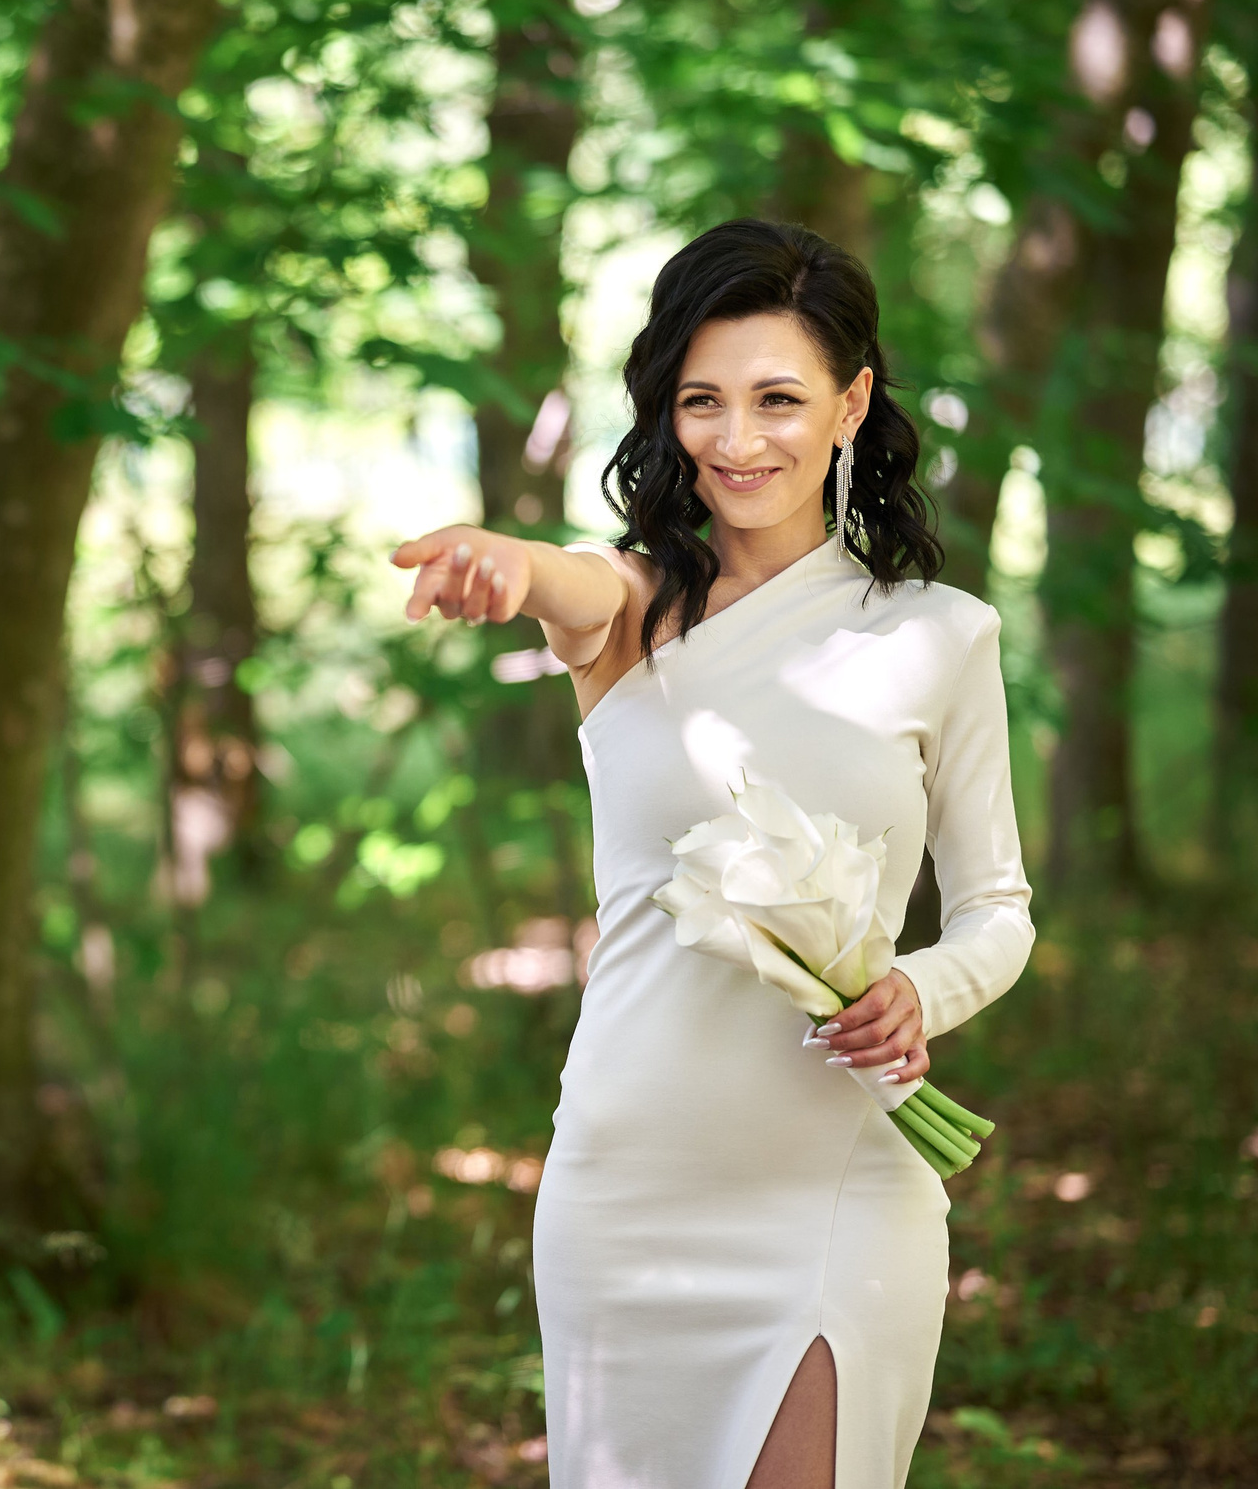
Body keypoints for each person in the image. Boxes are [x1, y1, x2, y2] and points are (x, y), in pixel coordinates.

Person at [390, 221, 1033, 1489]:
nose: (738, 440)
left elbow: (997, 908)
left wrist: (924, 988)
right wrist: (493, 559)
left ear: (851, 403)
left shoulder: (941, 638)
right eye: (702, 401)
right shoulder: (631, 612)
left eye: (777, 399)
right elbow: (556, 577)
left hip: (839, 1189)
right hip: (626, 1188)